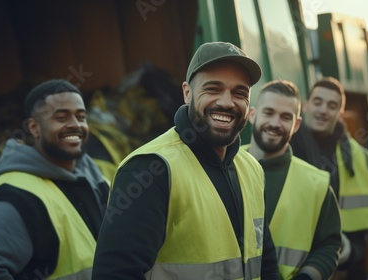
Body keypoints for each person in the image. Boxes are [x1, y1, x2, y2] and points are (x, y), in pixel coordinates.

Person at [91, 41, 279, 279]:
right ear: (187, 93)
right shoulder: (151, 169)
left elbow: (266, 262)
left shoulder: (252, 168)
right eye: (213, 89)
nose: (227, 102)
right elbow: (116, 274)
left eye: (239, 93)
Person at [0, 79, 109, 279]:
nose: (75, 125)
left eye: (81, 117)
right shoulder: (15, 196)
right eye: (61, 118)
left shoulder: (98, 180)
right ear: (34, 128)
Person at [244, 80, 342, 280]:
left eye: (285, 117)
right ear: (252, 115)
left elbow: (328, 246)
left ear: (296, 125)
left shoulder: (317, 184)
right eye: (268, 112)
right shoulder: (222, 166)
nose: (275, 123)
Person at [289, 77, 368, 280]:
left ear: (340, 114)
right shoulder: (283, 148)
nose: (322, 110)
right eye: (318, 102)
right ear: (306, 105)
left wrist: (349, 253)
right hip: (292, 262)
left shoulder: (360, 158)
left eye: (331, 105)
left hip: (346, 265)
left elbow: (363, 221)